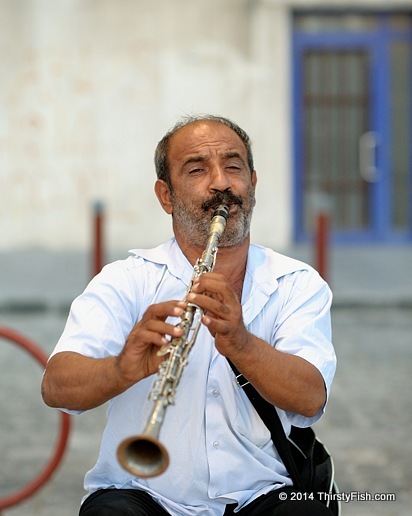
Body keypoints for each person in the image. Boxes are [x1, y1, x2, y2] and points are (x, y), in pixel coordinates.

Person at [41, 115, 336, 515]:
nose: (221, 183)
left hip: (261, 495)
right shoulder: (126, 279)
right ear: (166, 196)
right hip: (144, 495)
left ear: (252, 182)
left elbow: (310, 397)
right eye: (197, 169)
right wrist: (121, 371)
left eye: (233, 167)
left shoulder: (297, 283)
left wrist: (242, 344)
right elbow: (56, 387)